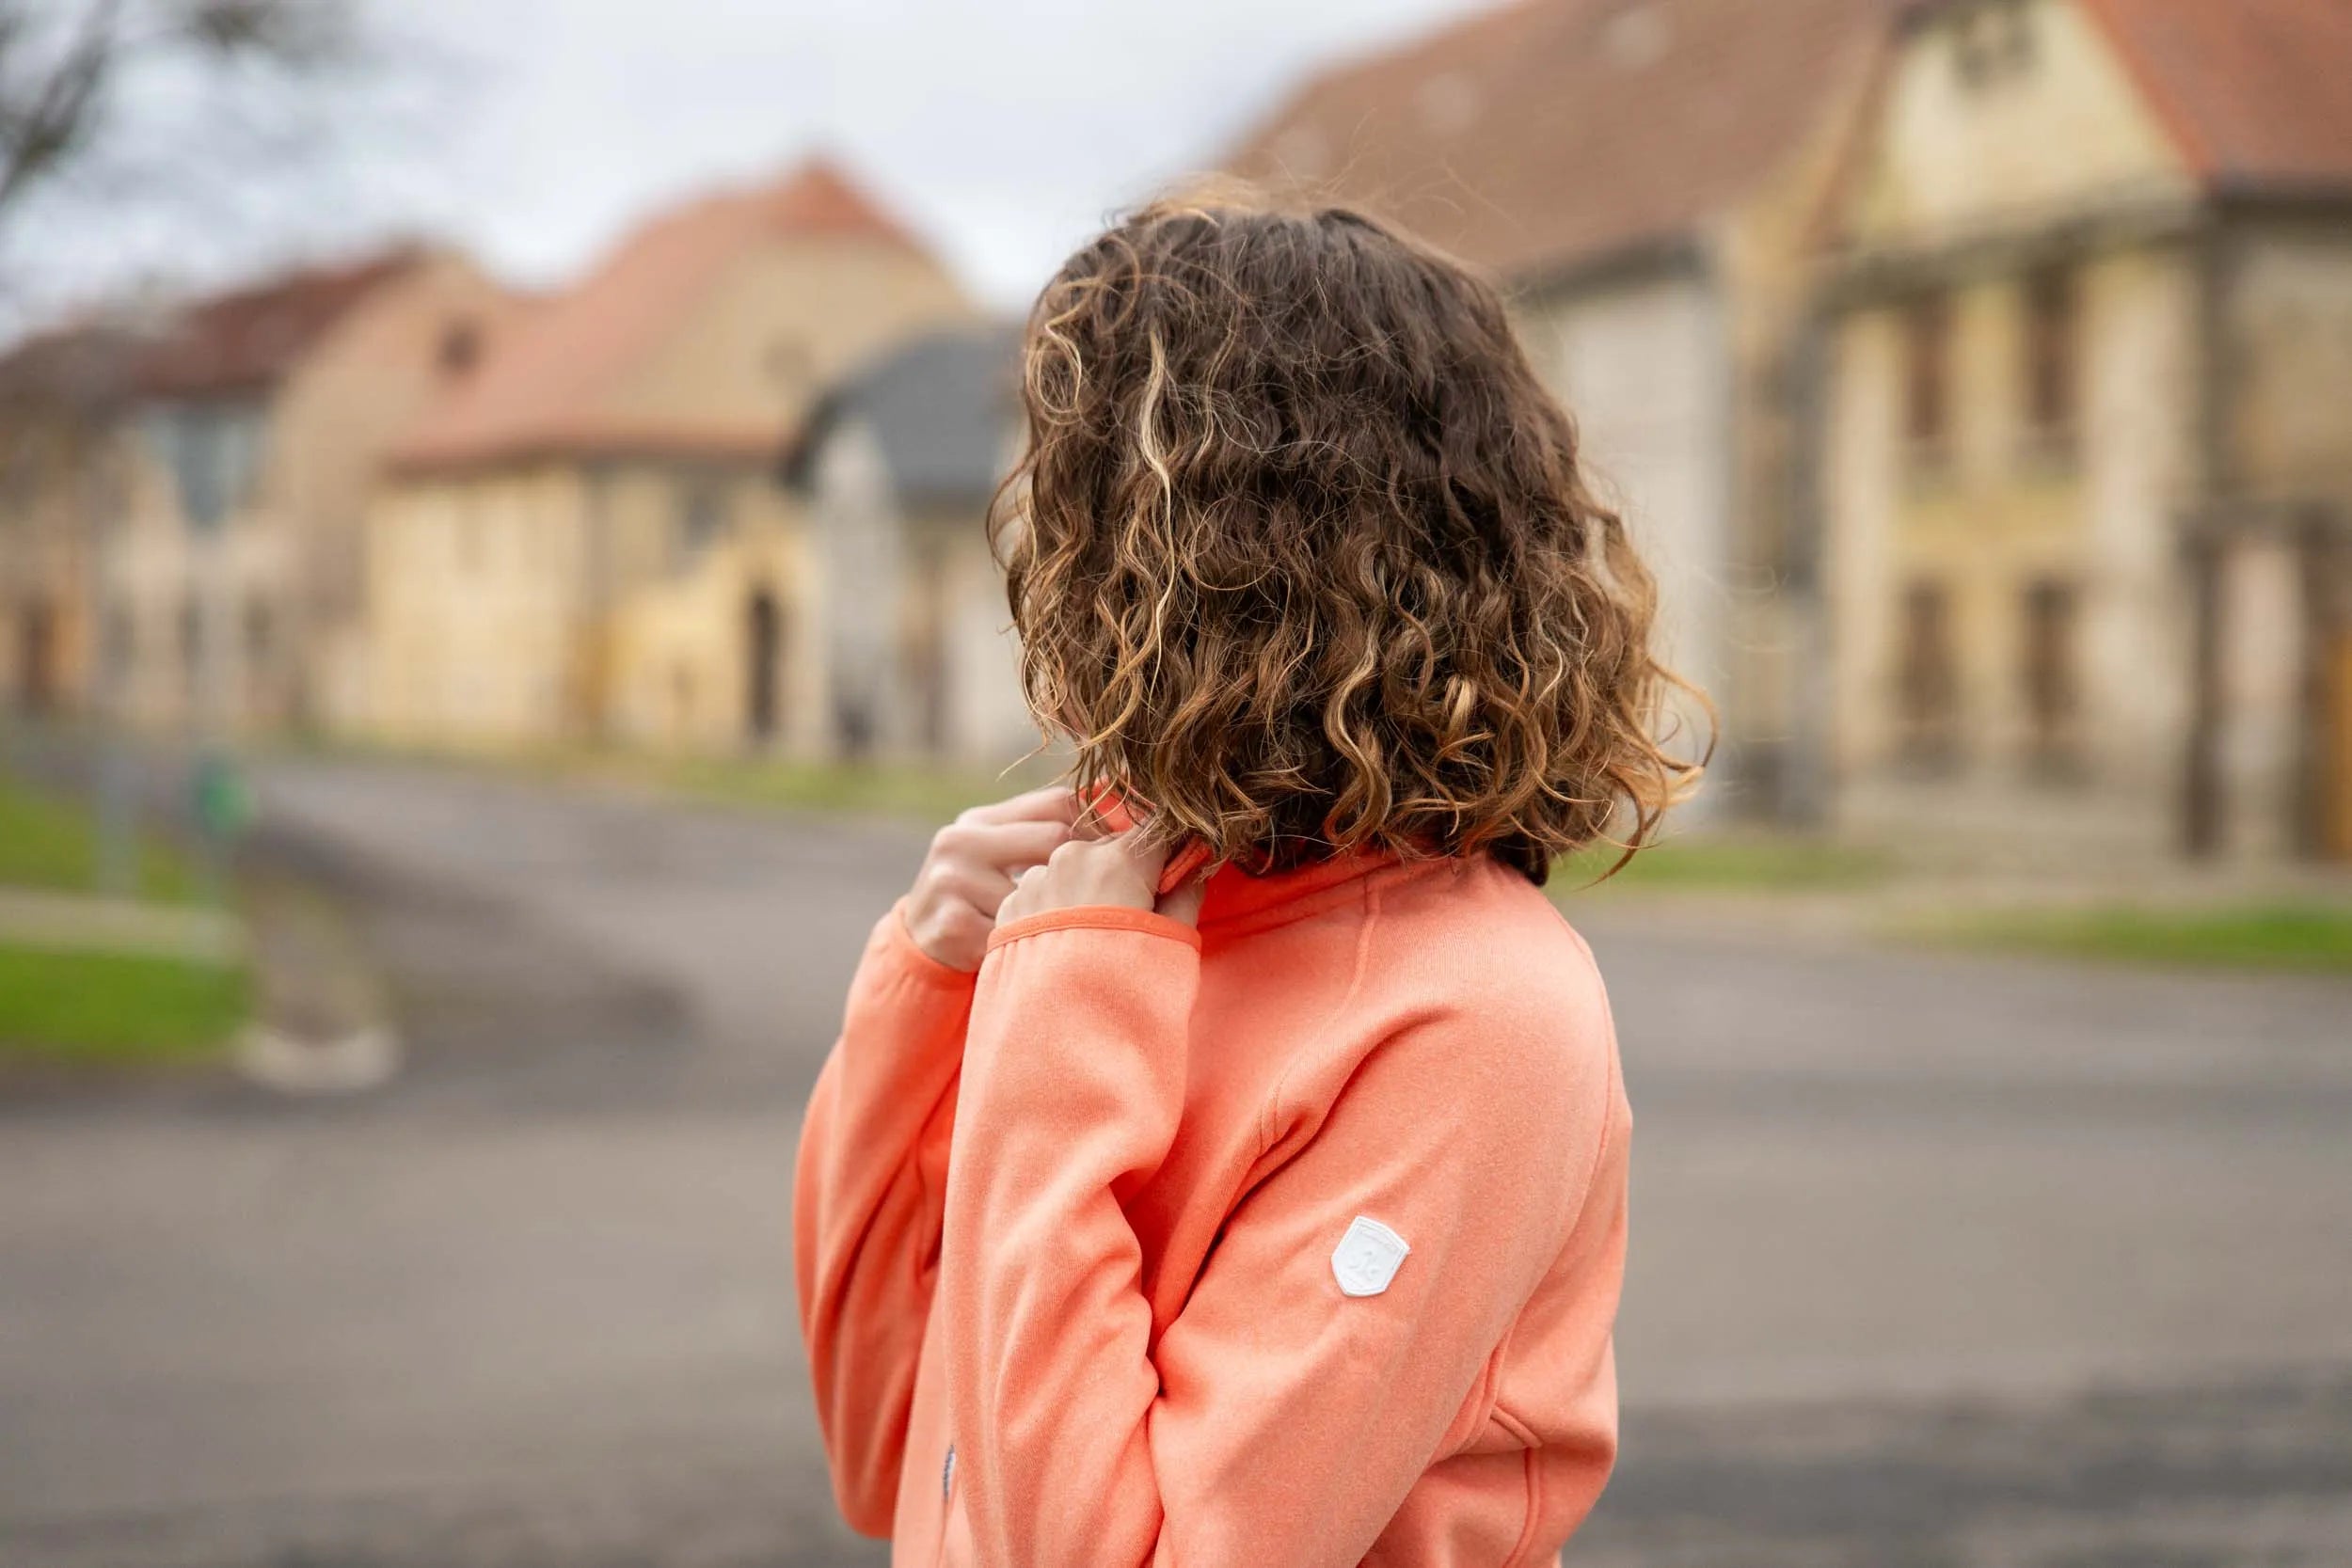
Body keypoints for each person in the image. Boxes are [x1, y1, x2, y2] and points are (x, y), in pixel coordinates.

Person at [793, 188, 1701, 1567]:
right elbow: (890, 1454)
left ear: (1228, 553)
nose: (1045, 553)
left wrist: (1054, 1045)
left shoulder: (1475, 1016)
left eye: (1091, 495)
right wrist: (918, 989)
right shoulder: (1118, 911)